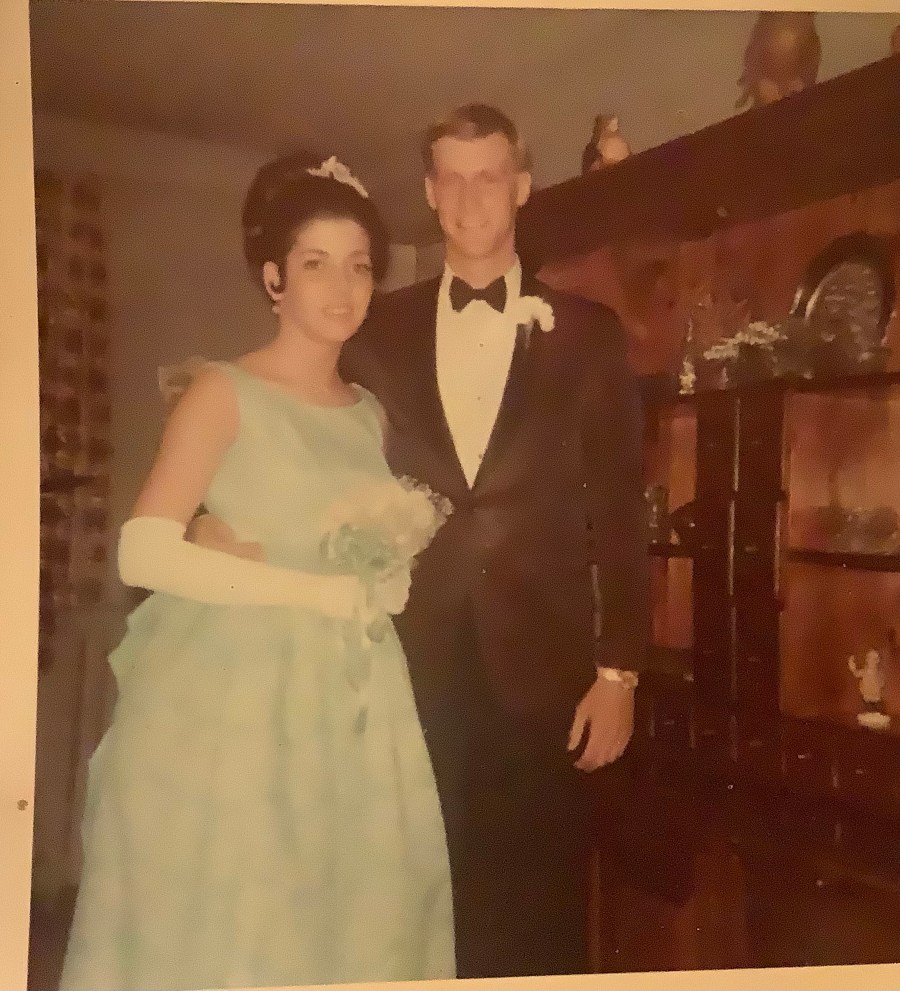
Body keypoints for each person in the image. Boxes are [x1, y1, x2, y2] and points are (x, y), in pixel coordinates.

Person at [197, 103, 650, 978]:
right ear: (431, 193)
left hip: (548, 678)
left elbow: (622, 516)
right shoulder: (373, 328)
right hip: (407, 671)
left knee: (542, 912)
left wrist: (619, 672)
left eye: (491, 177)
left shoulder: (589, 334)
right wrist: (214, 516)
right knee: (416, 905)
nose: (471, 198)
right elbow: (298, 428)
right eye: (453, 178)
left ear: (522, 186)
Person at [59, 151, 456, 990]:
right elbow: (142, 548)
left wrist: (387, 577)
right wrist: (312, 590)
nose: (342, 287)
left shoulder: (370, 413)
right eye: (315, 264)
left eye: (359, 266)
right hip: (238, 695)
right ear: (274, 278)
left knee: (344, 914)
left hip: (353, 696)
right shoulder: (223, 391)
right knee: (244, 917)